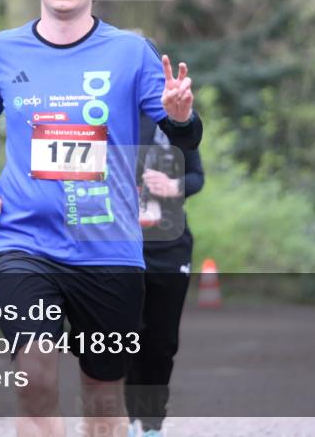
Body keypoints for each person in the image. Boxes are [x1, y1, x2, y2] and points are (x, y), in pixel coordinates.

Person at [0, 0, 203, 437]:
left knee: (101, 397)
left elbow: (183, 141)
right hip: (23, 238)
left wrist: (180, 115)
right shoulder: (1, 49)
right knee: (35, 379)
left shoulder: (129, 52)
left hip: (108, 248)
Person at [125, 112, 205, 437]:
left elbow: (197, 176)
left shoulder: (174, 123)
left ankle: (153, 424)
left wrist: (175, 186)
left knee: (161, 342)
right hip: (120, 245)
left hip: (169, 247)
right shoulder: (108, 114)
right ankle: (128, 419)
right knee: (127, 336)